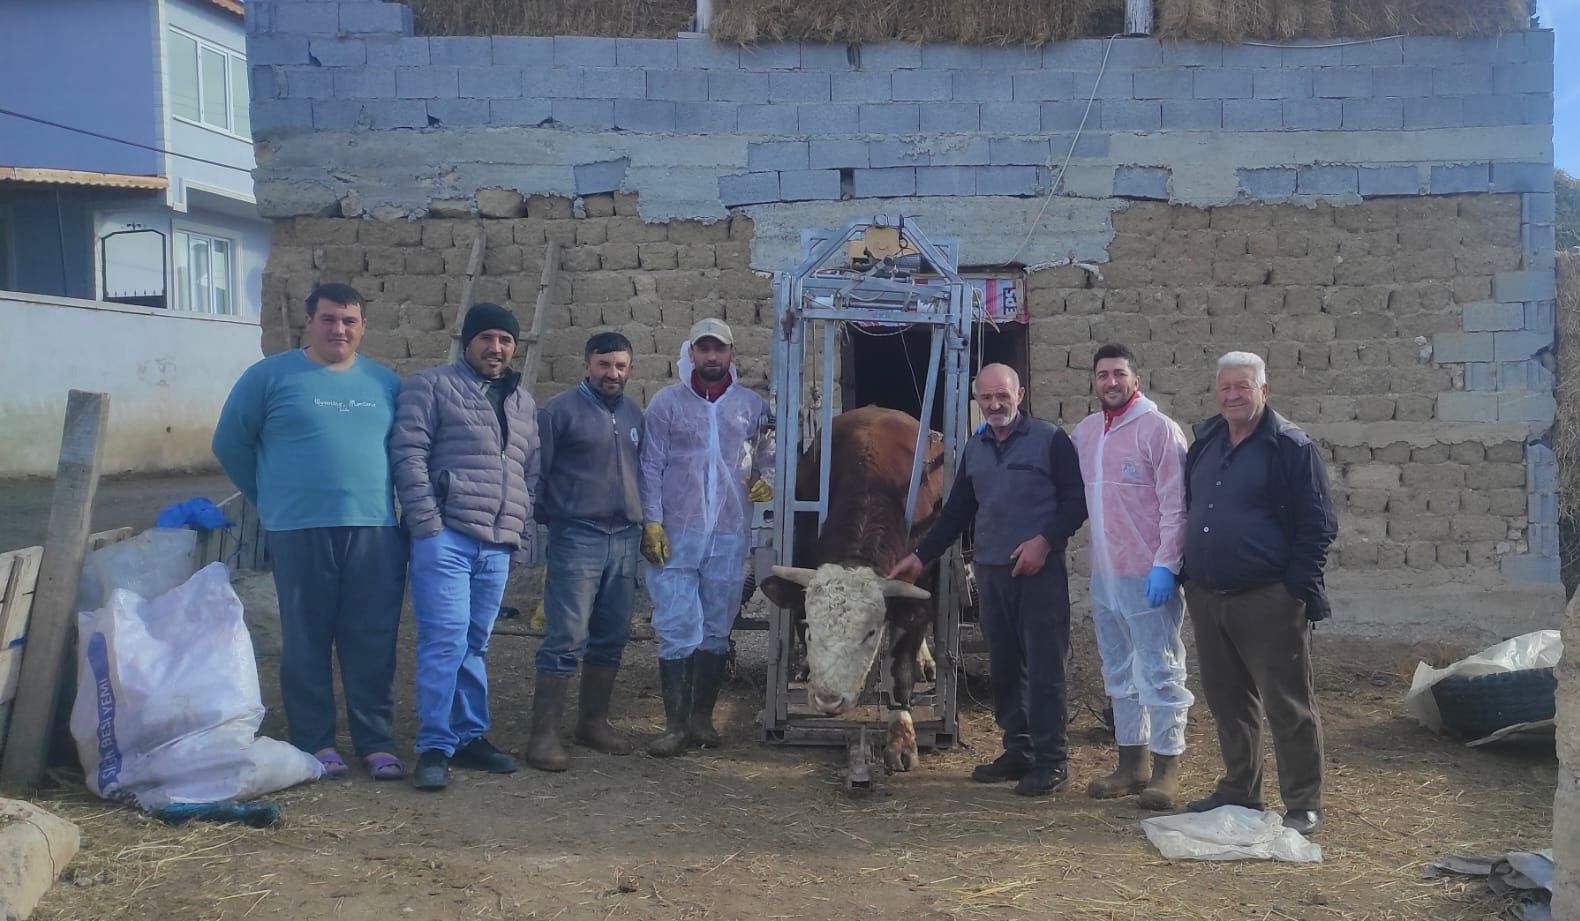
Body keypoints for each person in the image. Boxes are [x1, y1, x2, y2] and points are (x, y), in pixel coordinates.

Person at [212, 282, 407, 782]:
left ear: (362, 326)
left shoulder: (385, 383)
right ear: (309, 321)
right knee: (306, 638)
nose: (338, 329)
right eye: (328, 319)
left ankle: (375, 741)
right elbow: (231, 443)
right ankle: (315, 740)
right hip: (298, 528)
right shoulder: (270, 377)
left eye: (349, 321)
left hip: (375, 529)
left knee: (372, 638)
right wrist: (271, 497)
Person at [889, 363, 1087, 796]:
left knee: (1045, 667)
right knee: (1005, 667)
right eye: (986, 398)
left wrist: (1044, 542)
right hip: (993, 573)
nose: (995, 404)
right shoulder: (976, 449)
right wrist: (920, 557)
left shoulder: (1051, 441)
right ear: (976, 401)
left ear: (1019, 395)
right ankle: (1017, 751)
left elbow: (1077, 503)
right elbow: (957, 512)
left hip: (1040, 573)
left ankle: (1052, 761)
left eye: (1003, 396)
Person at [1182, 351, 1338, 836]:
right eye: (1225, 387)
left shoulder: (1289, 446)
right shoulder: (1205, 441)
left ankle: (1303, 802)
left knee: (1287, 704)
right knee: (1228, 702)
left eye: (1243, 387)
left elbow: (1319, 526)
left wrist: (1293, 588)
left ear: (1264, 391)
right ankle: (1240, 789)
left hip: (1267, 597)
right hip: (1209, 597)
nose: (1232, 395)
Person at [389, 303, 541, 792]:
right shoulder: (430, 386)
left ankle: (470, 736)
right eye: (487, 338)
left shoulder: (522, 402)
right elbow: (408, 454)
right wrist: (427, 523)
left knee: (475, 643)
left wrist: (519, 528)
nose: (496, 348)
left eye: (505, 339)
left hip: (496, 543)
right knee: (445, 640)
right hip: (447, 537)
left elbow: (527, 470)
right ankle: (434, 745)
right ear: (467, 341)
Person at [639, 318, 773, 757]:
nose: (711, 357)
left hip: (730, 532)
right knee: (677, 623)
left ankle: (702, 720)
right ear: (691, 353)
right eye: (704, 350)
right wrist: (652, 521)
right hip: (678, 530)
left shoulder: (751, 404)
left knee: (716, 624)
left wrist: (766, 477)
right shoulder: (667, 404)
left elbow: (769, 451)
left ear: (732, 354)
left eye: (719, 350)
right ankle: (674, 724)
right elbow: (651, 465)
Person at [1071, 344, 1193, 810]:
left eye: (1118, 373)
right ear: (1095, 381)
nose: (1110, 382)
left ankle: (1167, 768)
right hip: (1106, 576)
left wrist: (1167, 564)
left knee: (1160, 670)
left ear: (1134, 379)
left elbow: (1176, 504)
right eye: (1102, 374)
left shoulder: (1157, 430)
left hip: (1148, 575)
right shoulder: (1087, 434)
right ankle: (1132, 763)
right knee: (1119, 671)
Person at [525, 332, 645, 772]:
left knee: (612, 634)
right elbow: (538, 473)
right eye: (604, 365)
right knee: (565, 636)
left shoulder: (634, 413)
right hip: (578, 534)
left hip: (625, 536)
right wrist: (549, 523)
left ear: (629, 369)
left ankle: (593, 723)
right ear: (587, 365)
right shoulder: (558, 412)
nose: (612, 374)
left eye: (620, 366)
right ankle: (543, 736)